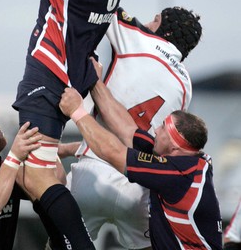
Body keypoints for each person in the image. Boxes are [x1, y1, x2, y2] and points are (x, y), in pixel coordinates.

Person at [7, 0, 153, 249]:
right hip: (76, 75)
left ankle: (78, 244)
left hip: (48, 68)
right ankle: (64, 242)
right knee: (46, 171)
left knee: (35, 176)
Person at [66, 6, 202, 249]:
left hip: (92, 169)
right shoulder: (186, 86)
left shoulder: (139, 38)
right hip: (139, 186)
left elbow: (105, 4)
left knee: (60, 241)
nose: (149, 23)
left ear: (165, 28)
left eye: (155, 19)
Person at [59, 82, 223, 250]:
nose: (156, 130)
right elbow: (127, 129)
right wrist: (95, 82)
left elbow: (112, 152)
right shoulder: (186, 163)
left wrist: (77, 112)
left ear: (175, 144)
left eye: (164, 128)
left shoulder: (178, 172)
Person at [0, 107, 42, 250]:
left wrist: (46, 143)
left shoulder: (6, 169)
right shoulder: (8, 167)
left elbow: (54, 183)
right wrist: (14, 156)